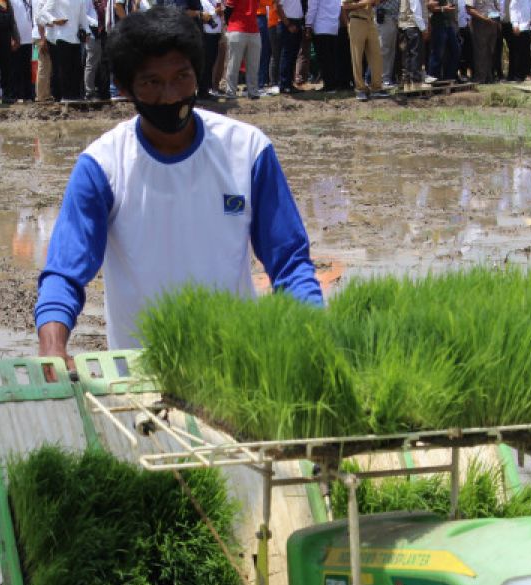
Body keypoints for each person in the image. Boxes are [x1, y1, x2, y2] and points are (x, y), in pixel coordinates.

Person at [34, 5, 323, 360]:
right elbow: (65, 273)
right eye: (152, 83)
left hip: (235, 368)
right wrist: (52, 346)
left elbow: (290, 262)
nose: (170, 96)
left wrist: (314, 336)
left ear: (197, 74)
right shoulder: (103, 165)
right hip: (140, 378)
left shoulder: (247, 150)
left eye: (181, 77)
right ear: (126, 89)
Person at [343, 0, 385, 99]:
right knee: (357, 57)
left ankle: (376, 88)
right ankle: (360, 89)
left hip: (370, 20)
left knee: (376, 56)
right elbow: (345, 5)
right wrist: (365, 2)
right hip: (356, 20)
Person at [223, 0, 260, 98]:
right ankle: (252, 92)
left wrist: (229, 24)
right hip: (243, 29)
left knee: (235, 64)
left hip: (244, 29)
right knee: (250, 65)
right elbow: (228, 9)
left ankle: (232, 92)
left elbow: (228, 10)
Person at [465, 0, 499, 83]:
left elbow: (496, 7)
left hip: (493, 22)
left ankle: (489, 77)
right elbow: (469, 10)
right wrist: (485, 18)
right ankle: (480, 77)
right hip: (480, 23)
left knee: (490, 51)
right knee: (480, 51)